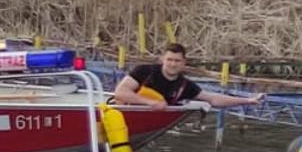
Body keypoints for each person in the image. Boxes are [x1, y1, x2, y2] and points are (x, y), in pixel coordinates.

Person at [113, 43, 264, 109]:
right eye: (169, 60)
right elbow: (120, 92)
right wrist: (149, 103)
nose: (173, 64)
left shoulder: (184, 85)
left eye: (177, 61)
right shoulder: (144, 71)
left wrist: (247, 101)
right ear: (162, 60)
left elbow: (213, 99)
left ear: (184, 63)